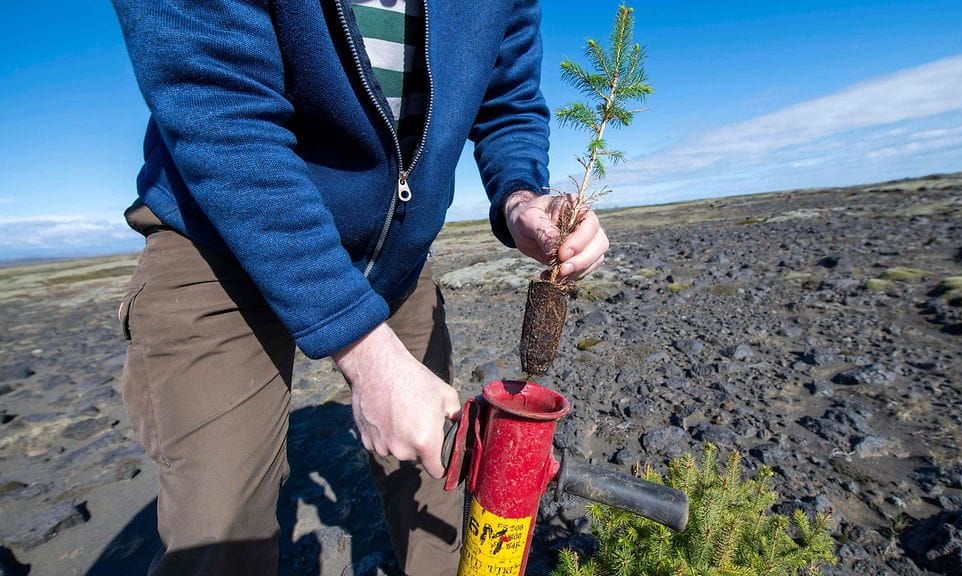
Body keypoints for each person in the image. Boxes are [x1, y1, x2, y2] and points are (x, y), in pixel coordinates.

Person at [112, 0, 609, 574]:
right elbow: (217, 110)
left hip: (394, 256)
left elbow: (509, 103)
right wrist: (367, 353)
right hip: (220, 237)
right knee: (218, 535)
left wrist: (522, 197)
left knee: (436, 483)